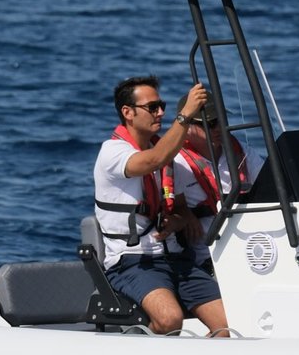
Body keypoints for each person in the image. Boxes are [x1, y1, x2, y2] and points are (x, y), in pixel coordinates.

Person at [93, 75, 231, 337]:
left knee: (230, 324)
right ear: (128, 113)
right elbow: (152, 160)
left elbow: (180, 208)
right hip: (134, 261)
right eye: (152, 107)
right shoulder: (112, 153)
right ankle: (133, 351)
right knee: (169, 320)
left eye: (162, 106)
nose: (160, 113)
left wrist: (179, 220)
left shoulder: (169, 157)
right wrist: (185, 116)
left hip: (177, 259)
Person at [171, 92, 253, 273]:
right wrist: (184, 212)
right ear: (187, 127)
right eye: (210, 124)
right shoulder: (176, 163)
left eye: (221, 120)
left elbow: (270, 186)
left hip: (251, 245)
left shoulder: (240, 151)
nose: (218, 128)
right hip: (207, 258)